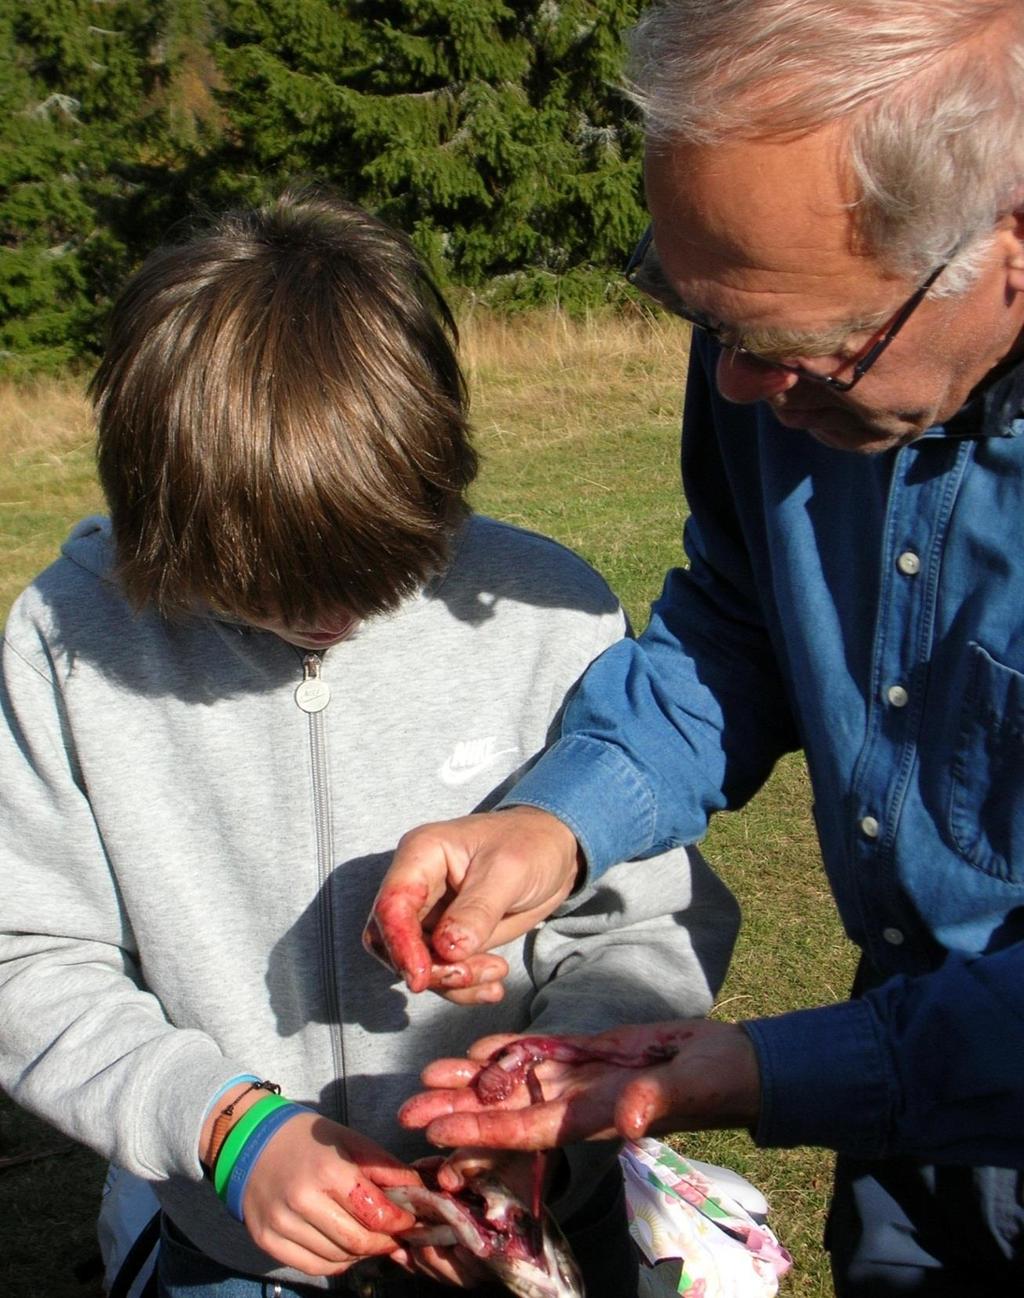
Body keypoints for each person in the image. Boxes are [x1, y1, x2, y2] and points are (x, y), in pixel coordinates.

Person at [366, 2, 1024, 1294]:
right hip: (900, 1138)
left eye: (790, 344)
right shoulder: (768, 353)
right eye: (699, 315)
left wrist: (770, 1070)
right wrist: (557, 822)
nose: (734, 385)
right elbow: (742, 621)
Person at [0, 189, 741, 1297]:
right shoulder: (68, 642)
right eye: (255, 594)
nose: (330, 623)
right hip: (228, 1246)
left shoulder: (545, 609)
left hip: (528, 1226)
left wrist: (550, 1104)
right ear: (164, 514)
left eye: (382, 577)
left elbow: (639, 922)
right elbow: (28, 954)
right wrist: (221, 1128)